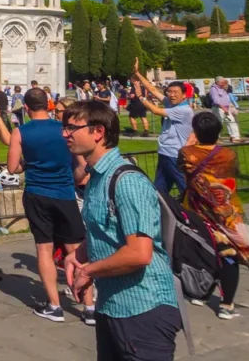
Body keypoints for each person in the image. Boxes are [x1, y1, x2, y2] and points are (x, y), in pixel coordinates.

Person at [63, 101, 182, 361]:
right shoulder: (95, 176)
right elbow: (104, 228)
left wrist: (89, 270)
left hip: (143, 307)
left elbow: (139, 254)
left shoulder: (127, 181)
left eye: (72, 127)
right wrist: (80, 254)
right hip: (112, 303)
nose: (65, 133)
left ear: (98, 132)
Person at [6, 87, 94, 324]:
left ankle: (54, 305)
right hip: (64, 193)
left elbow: (13, 167)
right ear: (49, 104)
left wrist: (29, 163)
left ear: (25, 108)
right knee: (75, 250)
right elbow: (81, 164)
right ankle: (88, 306)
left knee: (44, 249)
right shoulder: (64, 130)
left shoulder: (20, 132)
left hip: (37, 193)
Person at [178, 111, 249, 319]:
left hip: (198, 210)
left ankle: (200, 293)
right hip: (227, 212)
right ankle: (226, 304)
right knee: (230, 255)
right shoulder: (229, 155)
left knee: (204, 252)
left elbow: (184, 173)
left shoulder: (187, 153)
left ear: (196, 131)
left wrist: (190, 142)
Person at [132, 61, 193, 197]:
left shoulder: (184, 110)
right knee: (159, 191)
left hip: (175, 155)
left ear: (184, 95)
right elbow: (153, 90)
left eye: (175, 92)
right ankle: (162, 212)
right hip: (165, 152)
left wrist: (140, 96)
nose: (171, 95)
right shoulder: (171, 104)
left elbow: (155, 110)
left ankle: (197, 213)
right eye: (169, 92)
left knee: (186, 189)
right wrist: (137, 74)